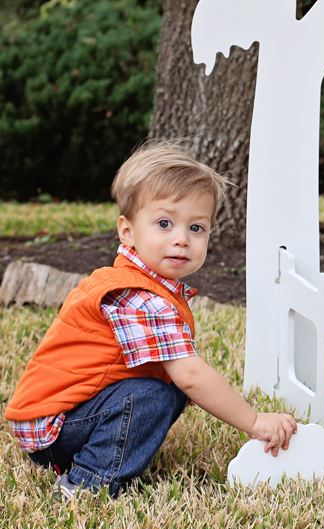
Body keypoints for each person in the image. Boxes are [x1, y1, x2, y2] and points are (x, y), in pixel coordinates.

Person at [4, 142, 297, 499]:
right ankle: (86, 485)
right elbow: (191, 375)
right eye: (164, 223)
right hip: (53, 430)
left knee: (164, 392)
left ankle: (105, 451)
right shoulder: (138, 296)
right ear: (127, 231)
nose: (181, 240)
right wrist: (253, 421)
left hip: (69, 415)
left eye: (197, 228)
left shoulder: (152, 286)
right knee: (153, 395)